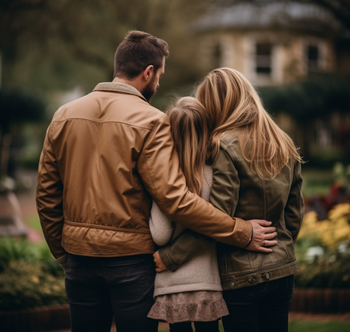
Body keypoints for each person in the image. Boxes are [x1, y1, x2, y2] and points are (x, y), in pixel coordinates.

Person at [36, 29, 276, 332]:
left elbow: (46, 194)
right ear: (148, 73)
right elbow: (175, 200)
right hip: (131, 265)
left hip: (78, 260)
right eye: (159, 75)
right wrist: (241, 231)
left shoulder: (63, 115)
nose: (159, 82)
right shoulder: (150, 121)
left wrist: (64, 252)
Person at [154, 68, 305, 332]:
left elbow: (215, 219)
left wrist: (170, 256)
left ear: (216, 106)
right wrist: (278, 247)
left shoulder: (225, 145)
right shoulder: (284, 142)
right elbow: (294, 215)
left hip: (240, 275)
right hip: (282, 269)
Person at [147, 97, 229, 331]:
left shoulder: (166, 178)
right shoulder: (217, 173)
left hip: (174, 283)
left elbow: (161, 235)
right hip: (208, 282)